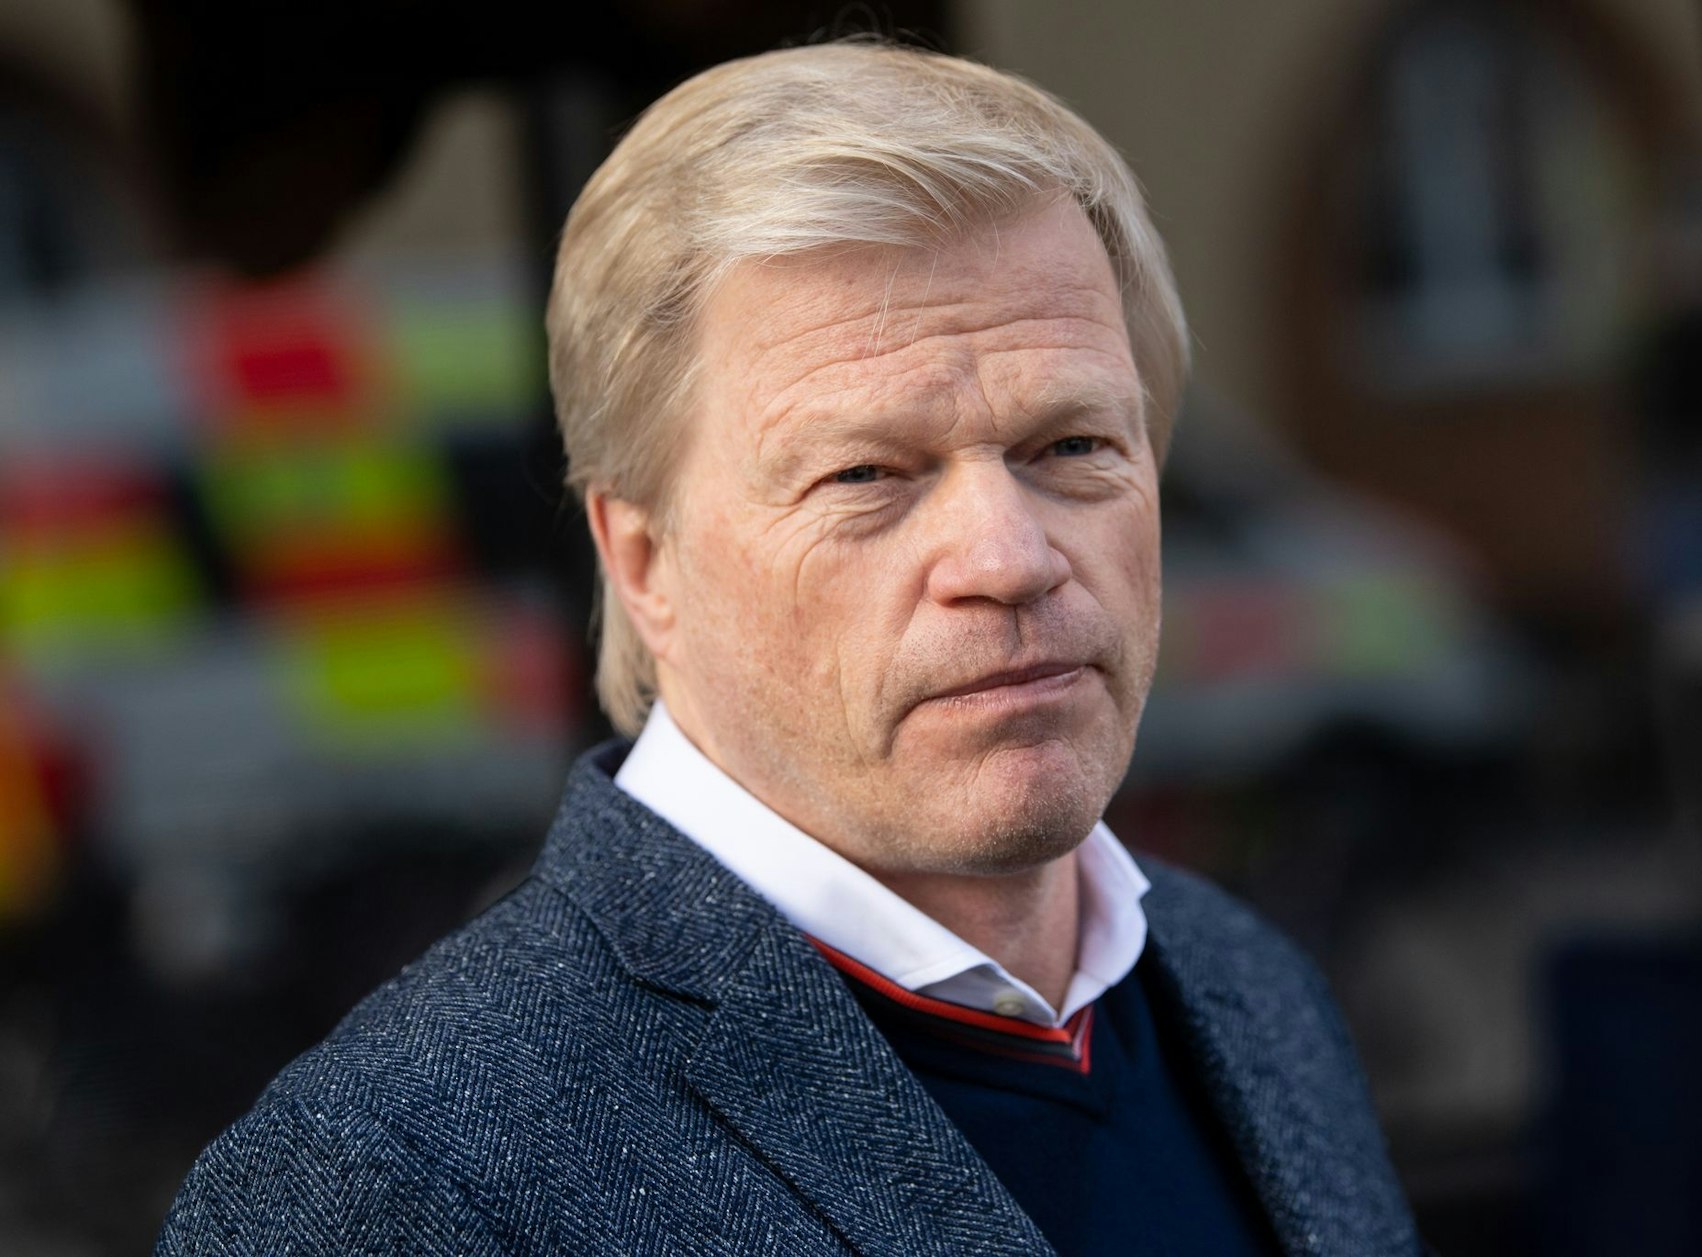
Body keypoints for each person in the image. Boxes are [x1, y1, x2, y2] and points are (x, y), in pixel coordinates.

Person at [157, 41, 1424, 1255]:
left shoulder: (1249, 994)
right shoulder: (387, 1186)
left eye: (1071, 446)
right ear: (641, 561)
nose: (1006, 557)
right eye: (865, 474)